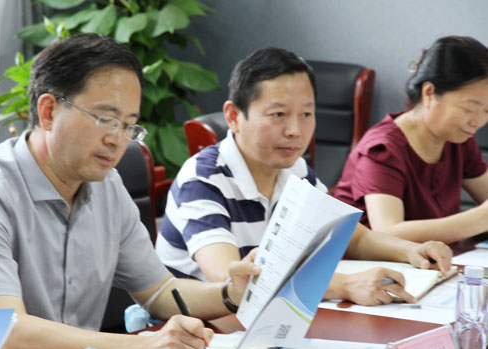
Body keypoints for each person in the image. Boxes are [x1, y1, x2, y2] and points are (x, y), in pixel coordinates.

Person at [0, 34, 260, 349]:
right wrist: (142, 348)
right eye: (105, 119)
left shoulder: (108, 187)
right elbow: (6, 333)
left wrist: (231, 293)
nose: (117, 140)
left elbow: (160, 292)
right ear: (49, 111)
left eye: (129, 126)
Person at [156, 46, 452, 307]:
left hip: (262, 321)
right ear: (234, 116)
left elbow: (348, 236)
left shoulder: (294, 169)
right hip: (196, 332)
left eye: (306, 114)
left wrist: (411, 251)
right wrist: (344, 285)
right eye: (278, 115)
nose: (295, 131)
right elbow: (233, 279)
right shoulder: (202, 178)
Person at [332, 36, 488, 244]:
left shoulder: (458, 139)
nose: (479, 121)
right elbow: (387, 232)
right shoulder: (382, 149)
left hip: (437, 261)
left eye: (487, 111)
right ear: (429, 92)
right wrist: (479, 219)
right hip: (371, 263)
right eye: (469, 109)